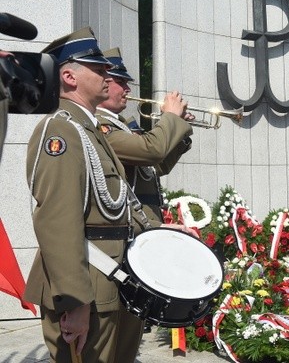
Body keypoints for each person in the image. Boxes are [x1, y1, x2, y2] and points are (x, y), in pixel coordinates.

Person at [25, 27, 141, 362]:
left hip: (110, 282)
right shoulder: (60, 131)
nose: (108, 74)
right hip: (86, 285)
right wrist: (74, 301)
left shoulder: (91, 131)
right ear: (69, 77)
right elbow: (56, 222)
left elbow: (120, 202)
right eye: (98, 68)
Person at [96, 47, 194, 222]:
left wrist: (180, 130)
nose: (127, 89)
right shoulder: (101, 125)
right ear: (103, 82)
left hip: (147, 219)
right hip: (130, 222)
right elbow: (151, 150)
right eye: (120, 82)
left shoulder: (122, 125)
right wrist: (171, 117)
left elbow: (157, 168)